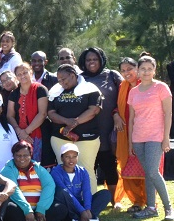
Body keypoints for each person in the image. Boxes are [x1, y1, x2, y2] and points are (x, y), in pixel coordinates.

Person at [128, 55, 174, 221]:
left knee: (152, 172)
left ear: (154, 70)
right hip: (138, 138)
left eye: (149, 68)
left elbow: (168, 114)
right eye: (143, 69)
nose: (146, 72)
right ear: (138, 71)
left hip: (156, 136)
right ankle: (150, 207)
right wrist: (130, 143)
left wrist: (166, 138)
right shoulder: (133, 92)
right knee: (148, 172)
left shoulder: (161, 88)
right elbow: (131, 119)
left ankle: (168, 208)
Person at [47, 64, 103, 193]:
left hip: (87, 137)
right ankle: (68, 205)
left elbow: (94, 110)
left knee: (86, 170)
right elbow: (51, 113)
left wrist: (74, 123)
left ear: (73, 75)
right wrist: (67, 122)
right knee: (64, 170)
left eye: (63, 79)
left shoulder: (90, 89)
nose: (61, 83)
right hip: (60, 137)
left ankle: (90, 207)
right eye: (59, 80)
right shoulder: (55, 91)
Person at [78, 47, 123, 193]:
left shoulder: (112, 76)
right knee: (88, 166)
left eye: (95, 59)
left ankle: (113, 199)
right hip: (87, 129)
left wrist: (116, 113)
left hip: (109, 128)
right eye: (88, 59)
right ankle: (91, 196)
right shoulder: (79, 78)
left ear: (101, 60)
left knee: (109, 164)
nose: (92, 62)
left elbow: (124, 97)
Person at [0, 141, 62, 221]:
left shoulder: (38, 168)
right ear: (13, 156)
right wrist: (27, 210)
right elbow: (14, 190)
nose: (22, 158)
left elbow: (49, 185)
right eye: (18, 155)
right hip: (20, 209)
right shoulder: (8, 169)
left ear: (31, 155)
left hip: (38, 209)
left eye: (25, 155)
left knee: (61, 208)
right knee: (9, 208)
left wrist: (41, 208)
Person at [50, 143, 112, 221]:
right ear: (62, 158)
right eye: (67, 157)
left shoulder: (82, 171)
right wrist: (82, 211)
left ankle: (85, 217)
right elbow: (67, 193)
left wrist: (87, 209)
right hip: (66, 204)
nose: (71, 160)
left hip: (79, 204)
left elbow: (87, 191)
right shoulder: (55, 172)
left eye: (74, 156)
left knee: (106, 194)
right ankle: (82, 218)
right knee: (62, 197)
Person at [113, 57, 147, 211]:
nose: (126, 73)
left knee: (145, 168)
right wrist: (116, 115)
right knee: (128, 167)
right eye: (123, 70)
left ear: (137, 69)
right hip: (126, 133)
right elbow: (116, 106)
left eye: (129, 69)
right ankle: (137, 201)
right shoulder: (123, 86)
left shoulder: (146, 85)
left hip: (145, 132)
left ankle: (149, 201)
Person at [7, 63, 49, 162]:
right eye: (19, 74)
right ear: (16, 77)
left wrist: (26, 132)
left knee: (37, 165)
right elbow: (10, 115)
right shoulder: (14, 93)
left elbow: (42, 114)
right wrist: (19, 131)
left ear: (31, 72)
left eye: (25, 72)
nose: (22, 76)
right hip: (19, 135)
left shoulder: (40, 89)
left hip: (40, 133)